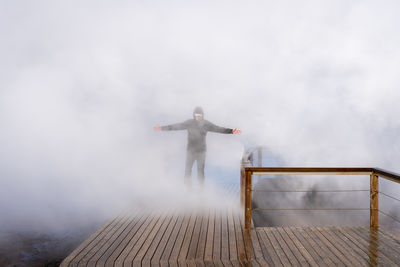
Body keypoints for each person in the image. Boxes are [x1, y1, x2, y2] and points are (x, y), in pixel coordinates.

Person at [154, 107, 241, 186]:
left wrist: (232, 131)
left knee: (200, 172)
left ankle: (200, 192)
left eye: (199, 115)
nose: (198, 117)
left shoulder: (206, 124)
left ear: (202, 116)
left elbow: (219, 129)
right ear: (194, 115)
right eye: (196, 115)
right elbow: (176, 126)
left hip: (201, 152)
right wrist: (161, 128)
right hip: (190, 151)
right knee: (187, 171)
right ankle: (187, 190)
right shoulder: (189, 123)